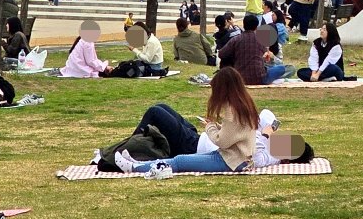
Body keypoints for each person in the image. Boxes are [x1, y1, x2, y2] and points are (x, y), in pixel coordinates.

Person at [119, 68, 260, 174]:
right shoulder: (243, 105)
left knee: (180, 161)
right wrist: (216, 126)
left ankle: (135, 167)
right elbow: (233, 133)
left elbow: (221, 141)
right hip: (233, 158)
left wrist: (210, 126)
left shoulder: (233, 110)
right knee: (181, 159)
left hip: (231, 161)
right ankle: (138, 163)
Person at [219, 13, 289, 85]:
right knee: (283, 68)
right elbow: (266, 57)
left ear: (244, 25)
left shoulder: (236, 39)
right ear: (256, 27)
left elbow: (221, 54)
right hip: (260, 78)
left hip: (240, 78)